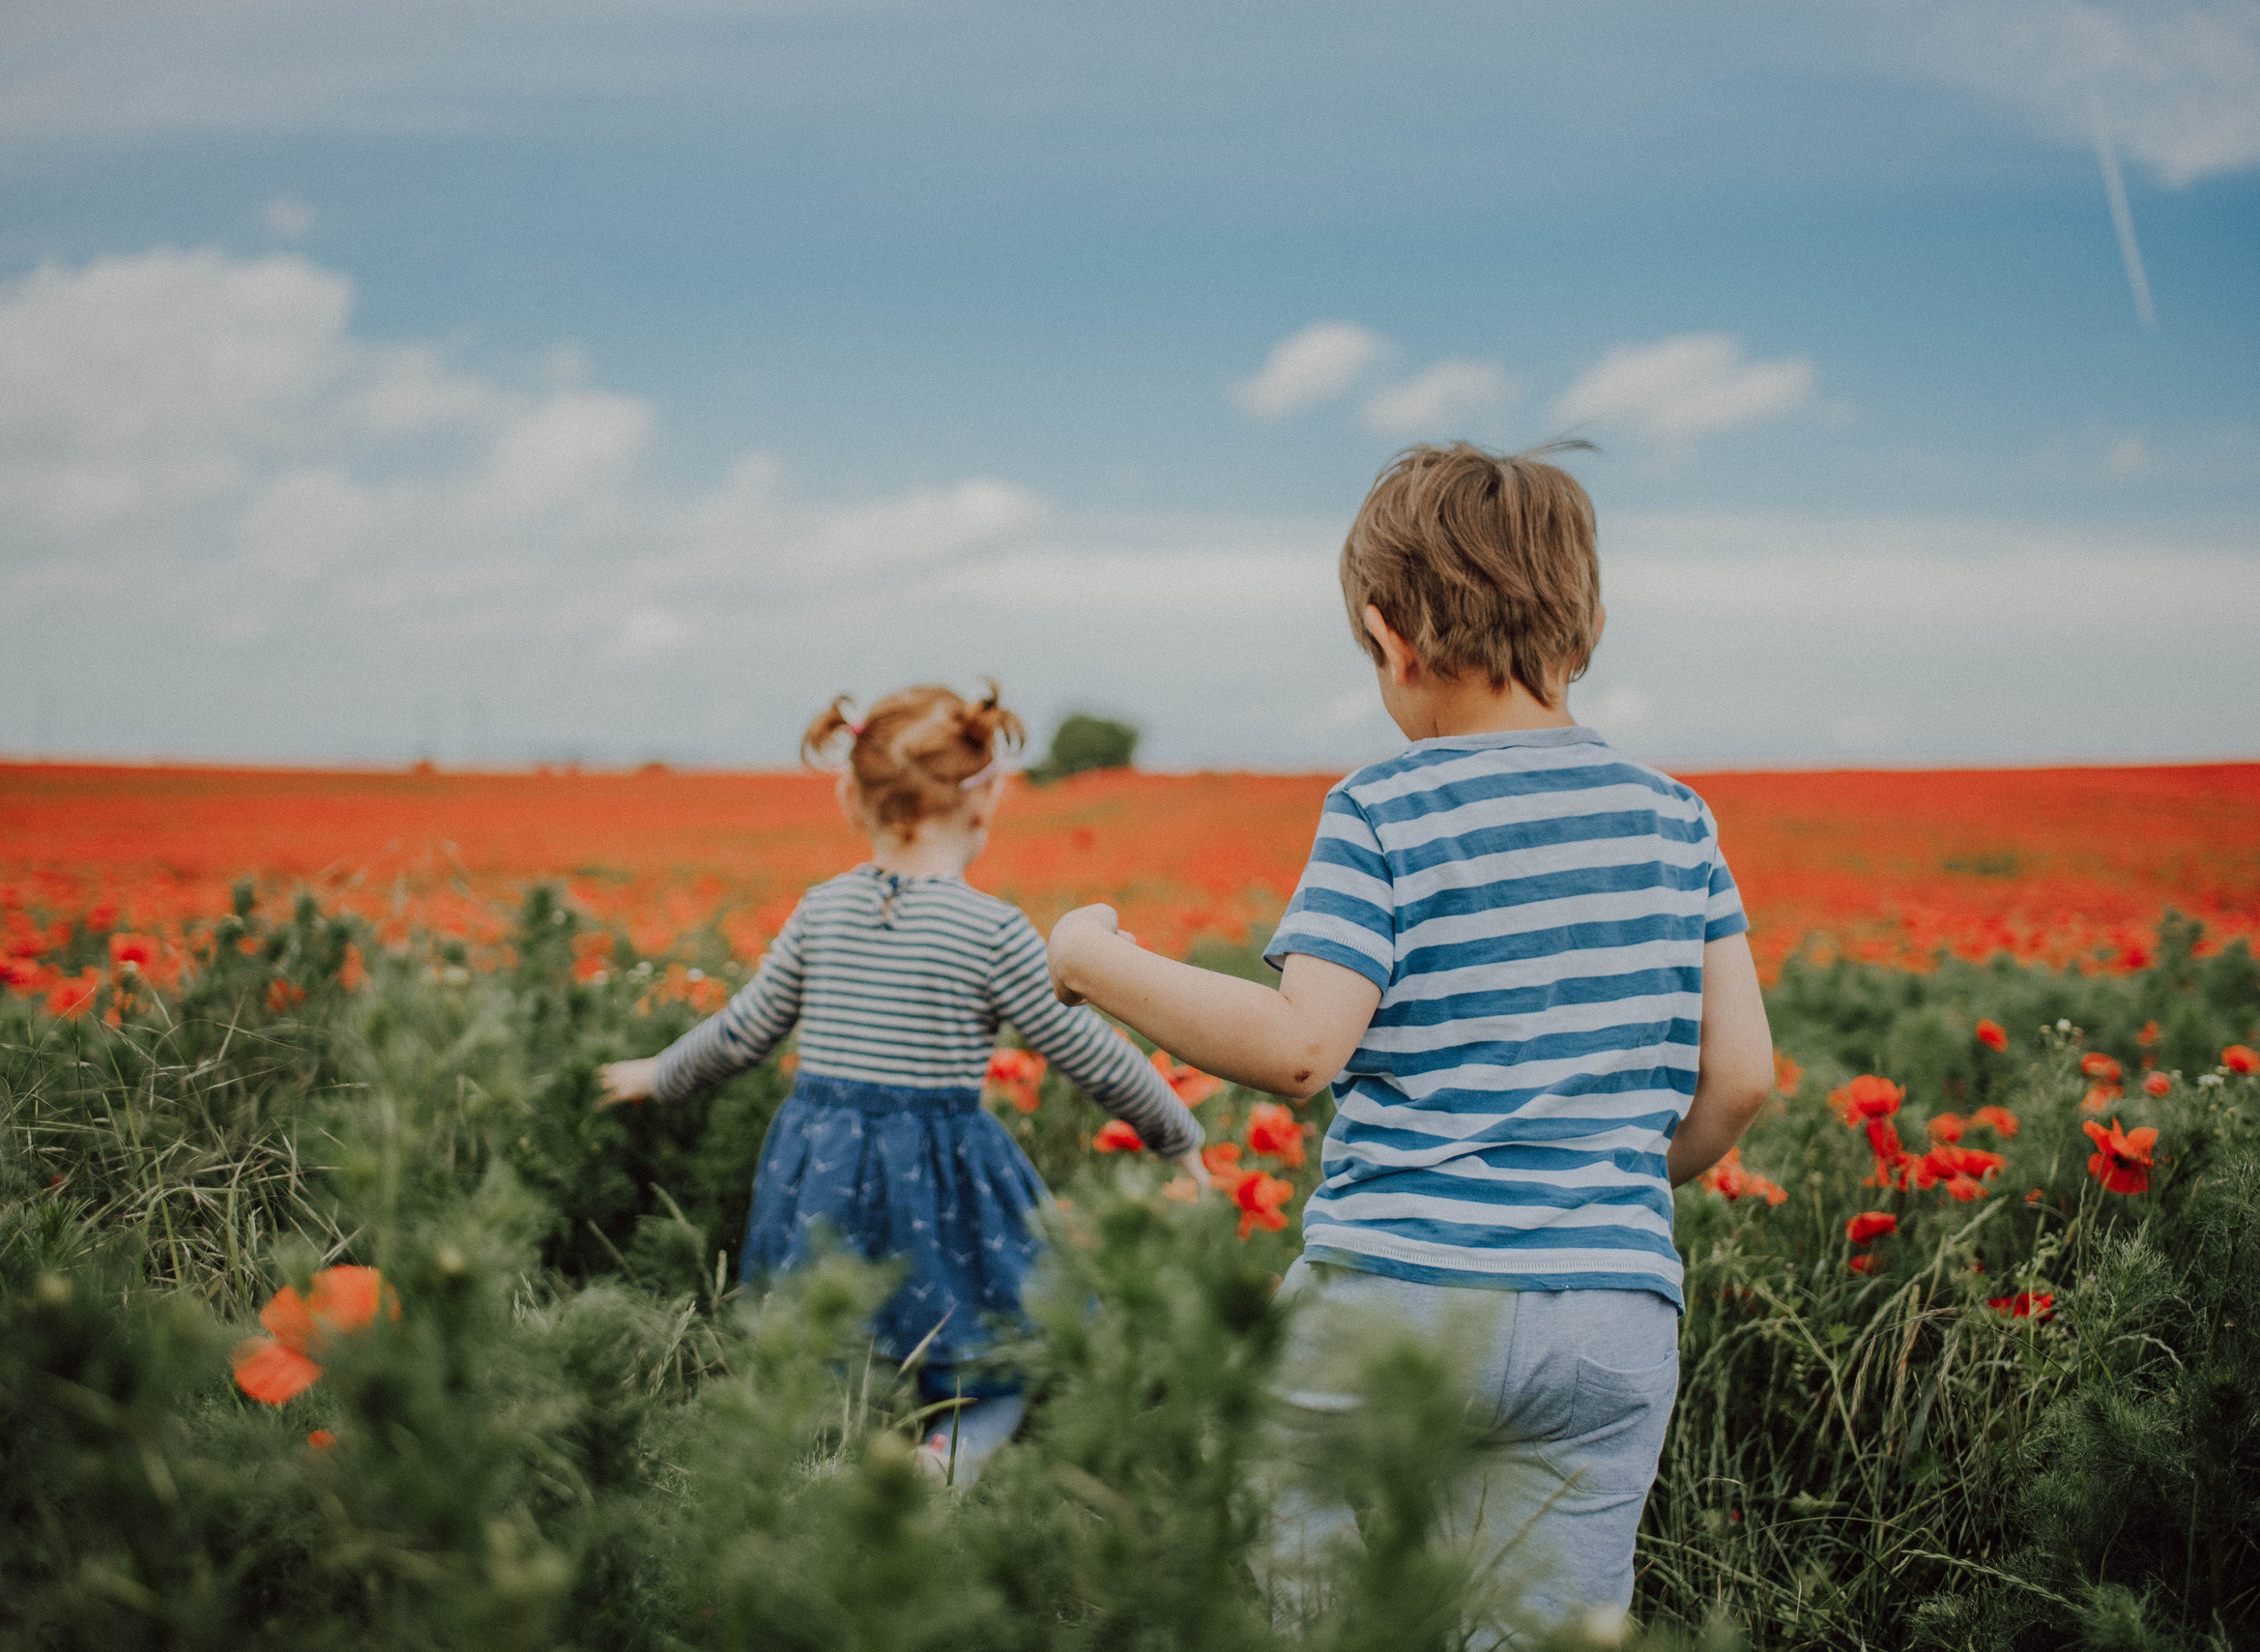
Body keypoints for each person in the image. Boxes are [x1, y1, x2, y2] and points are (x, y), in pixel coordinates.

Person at [1046, 444, 1775, 1632]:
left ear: (1389, 639)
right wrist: (1601, 1184)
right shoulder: (1676, 819)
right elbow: (1741, 1081)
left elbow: (1298, 1047)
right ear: (1584, 631)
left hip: (1400, 1293)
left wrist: (1094, 957)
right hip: (1611, 1311)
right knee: (1539, 1627)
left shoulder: (1387, 806)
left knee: (1297, 1582)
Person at [601, 682, 1206, 1487]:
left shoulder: (821, 912)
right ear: (985, 797)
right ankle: (939, 1468)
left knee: (826, 1350)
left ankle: (808, 1472)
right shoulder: (992, 932)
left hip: (819, 1168)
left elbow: (743, 1030)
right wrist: (1179, 1135)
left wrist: (657, 1073)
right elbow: (1090, 1052)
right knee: (998, 1356)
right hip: (943, 1176)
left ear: (855, 795)